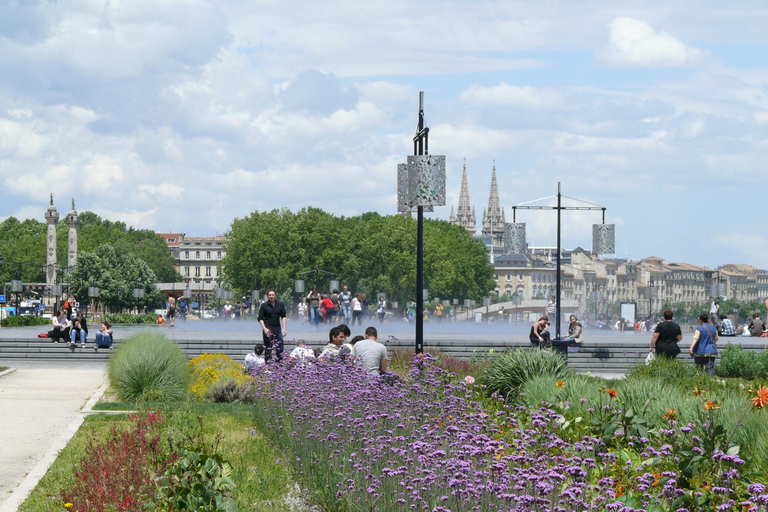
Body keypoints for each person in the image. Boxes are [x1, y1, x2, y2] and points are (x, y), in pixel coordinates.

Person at [258, 289, 287, 362]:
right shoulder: (264, 305)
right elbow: (260, 318)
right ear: (267, 296)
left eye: (273, 295)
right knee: (268, 349)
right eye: (270, 295)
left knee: (280, 348)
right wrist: (264, 328)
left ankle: (279, 365)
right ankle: (267, 365)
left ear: (276, 296)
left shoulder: (280, 305)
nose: (271, 296)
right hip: (268, 329)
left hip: (277, 329)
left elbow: (283, 316)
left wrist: (284, 328)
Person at [690, 313, 718, 377]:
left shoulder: (699, 328)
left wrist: (691, 348)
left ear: (700, 320)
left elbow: (695, 338)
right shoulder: (713, 328)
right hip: (711, 351)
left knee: (699, 369)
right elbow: (716, 339)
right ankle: (710, 383)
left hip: (700, 352)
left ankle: (700, 383)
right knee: (710, 369)